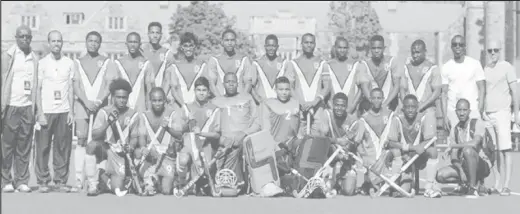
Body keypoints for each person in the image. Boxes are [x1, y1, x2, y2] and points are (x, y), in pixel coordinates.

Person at [71, 31, 119, 192]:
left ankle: (97, 178)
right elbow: (76, 86)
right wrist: (86, 102)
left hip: (100, 109)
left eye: (96, 41)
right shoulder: (77, 62)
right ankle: (79, 178)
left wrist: (98, 102)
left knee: (99, 142)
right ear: (86, 42)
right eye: (90, 40)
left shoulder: (107, 62)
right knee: (82, 141)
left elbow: (108, 85)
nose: (93, 43)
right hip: (82, 107)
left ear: (100, 43)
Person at [83, 78, 143, 196]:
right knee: (91, 146)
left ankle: (103, 176)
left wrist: (130, 147)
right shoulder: (104, 112)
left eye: (124, 97)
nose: (121, 100)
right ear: (112, 97)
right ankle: (92, 184)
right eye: (118, 97)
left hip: (122, 154)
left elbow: (134, 137)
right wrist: (107, 123)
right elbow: (94, 135)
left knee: (117, 187)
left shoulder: (133, 114)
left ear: (128, 97)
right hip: (107, 150)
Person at [34, 30, 75, 193]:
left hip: (64, 111)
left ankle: (60, 180)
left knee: (62, 147)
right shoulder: (42, 63)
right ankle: (43, 180)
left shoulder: (69, 63)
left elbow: (71, 89)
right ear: (49, 43)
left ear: (62, 43)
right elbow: (37, 89)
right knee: (43, 147)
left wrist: (71, 112)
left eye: (59, 41)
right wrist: (40, 113)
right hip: (47, 112)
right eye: (53, 41)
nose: (56, 44)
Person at [1, 25, 39, 193]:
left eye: (28, 36)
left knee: (24, 145)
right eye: (22, 36)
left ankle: (22, 180)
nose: (25, 39)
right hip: (11, 106)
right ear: (15, 37)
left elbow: (37, 85)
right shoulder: (8, 56)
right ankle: (6, 180)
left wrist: (36, 108)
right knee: (7, 145)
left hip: (27, 107)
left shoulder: (35, 58)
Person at [212, 72, 260, 196]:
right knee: (227, 147)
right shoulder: (216, 101)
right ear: (223, 84)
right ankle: (228, 181)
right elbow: (213, 127)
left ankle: (236, 182)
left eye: (233, 82)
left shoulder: (247, 98)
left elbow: (257, 121)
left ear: (237, 84)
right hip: (224, 142)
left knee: (237, 146)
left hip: (245, 139)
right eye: (228, 82)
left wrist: (244, 133)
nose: (231, 84)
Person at [436, 99, 494, 197]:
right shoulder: (454, 130)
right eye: (459, 110)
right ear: (456, 112)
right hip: (464, 166)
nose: (462, 113)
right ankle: (467, 185)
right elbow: (454, 157)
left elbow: (474, 144)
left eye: (464, 110)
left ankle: (473, 188)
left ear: (469, 111)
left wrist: (453, 146)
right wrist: (460, 170)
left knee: (468, 150)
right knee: (440, 175)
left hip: (482, 165)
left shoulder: (477, 123)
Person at [386, 94, 441, 198]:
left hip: (419, 156)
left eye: (413, 107)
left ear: (417, 107)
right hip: (403, 157)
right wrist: (412, 148)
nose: (410, 110)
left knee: (433, 151)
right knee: (402, 191)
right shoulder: (396, 118)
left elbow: (430, 140)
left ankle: (429, 187)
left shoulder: (424, 117)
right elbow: (391, 142)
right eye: (407, 107)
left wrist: (419, 147)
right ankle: (396, 183)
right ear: (403, 108)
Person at [483, 40, 519, 196]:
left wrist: (516, 113)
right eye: (490, 50)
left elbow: (515, 92)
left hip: (503, 112)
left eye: (495, 50)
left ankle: (506, 184)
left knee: (505, 149)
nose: (492, 53)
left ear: (500, 51)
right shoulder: (485, 68)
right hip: (488, 113)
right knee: (493, 150)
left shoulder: (507, 67)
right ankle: (497, 183)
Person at [257, 76, 301, 195]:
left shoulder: (296, 103)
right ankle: (279, 183)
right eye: (281, 89)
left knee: (303, 147)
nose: (284, 92)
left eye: (287, 89)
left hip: (292, 143)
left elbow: (300, 126)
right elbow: (266, 130)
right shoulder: (268, 103)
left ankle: (302, 183)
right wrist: (274, 146)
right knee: (282, 168)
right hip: (276, 145)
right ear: (275, 90)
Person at [310, 92, 359, 196]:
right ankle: (330, 175)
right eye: (337, 105)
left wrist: (345, 150)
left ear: (346, 106)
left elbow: (352, 144)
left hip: (346, 158)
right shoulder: (326, 114)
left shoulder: (353, 120)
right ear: (333, 105)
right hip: (331, 156)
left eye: (342, 106)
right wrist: (337, 141)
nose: (339, 108)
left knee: (348, 191)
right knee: (326, 146)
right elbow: (323, 138)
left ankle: (340, 182)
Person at [138, 87, 184, 196]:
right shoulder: (144, 115)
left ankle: (158, 180)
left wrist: (167, 128)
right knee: (142, 158)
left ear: (164, 101)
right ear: (150, 101)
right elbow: (141, 135)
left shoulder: (173, 114)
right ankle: (152, 180)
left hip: (167, 157)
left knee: (166, 191)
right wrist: (143, 147)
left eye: (160, 100)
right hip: (151, 156)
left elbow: (179, 135)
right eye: (154, 100)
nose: (157, 103)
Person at [352, 88, 395, 194]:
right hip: (370, 161)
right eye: (374, 98)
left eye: (379, 98)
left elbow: (395, 137)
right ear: (370, 99)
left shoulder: (390, 115)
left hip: (386, 157)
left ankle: (373, 183)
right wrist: (363, 157)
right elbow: (357, 143)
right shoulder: (363, 119)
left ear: (383, 99)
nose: (376, 101)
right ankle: (369, 182)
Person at [183, 77, 220, 195]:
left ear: (209, 92)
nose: (201, 92)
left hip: (206, 145)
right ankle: (182, 181)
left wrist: (201, 133)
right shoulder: (186, 107)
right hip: (189, 144)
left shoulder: (215, 109)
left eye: (204, 90)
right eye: (198, 90)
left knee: (206, 166)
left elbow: (217, 135)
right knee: (183, 160)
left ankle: (201, 183)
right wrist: (187, 124)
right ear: (194, 91)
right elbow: (180, 132)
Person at [441, 35, 486, 129]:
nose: (458, 47)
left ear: (465, 47)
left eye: (460, 44)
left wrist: (480, 108)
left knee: (473, 140)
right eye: (455, 44)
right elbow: (444, 93)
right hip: (453, 111)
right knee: (455, 141)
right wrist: (445, 116)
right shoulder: (446, 66)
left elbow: (482, 88)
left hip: (472, 109)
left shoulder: (475, 64)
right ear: (451, 47)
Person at [284, 33, 330, 114]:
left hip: (318, 109)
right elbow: (289, 87)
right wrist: (300, 102)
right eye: (306, 42)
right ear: (301, 44)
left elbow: (327, 87)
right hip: (299, 109)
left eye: (311, 43)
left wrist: (315, 102)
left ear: (315, 45)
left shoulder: (322, 63)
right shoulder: (292, 64)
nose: (309, 45)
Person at [325, 37, 370, 115]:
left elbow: (361, 89)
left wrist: (352, 108)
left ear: (348, 49)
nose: (342, 50)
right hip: (332, 111)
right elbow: (324, 90)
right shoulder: (327, 65)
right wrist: (331, 108)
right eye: (340, 48)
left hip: (351, 112)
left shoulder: (357, 65)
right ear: (335, 48)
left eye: (345, 48)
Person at [113, 32, 155, 113]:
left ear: (140, 44)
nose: (132, 45)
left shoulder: (146, 63)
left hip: (140, 108)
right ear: (126, 44)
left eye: (135, 42)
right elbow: (114, 90)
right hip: (122, 109)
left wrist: (149, 110)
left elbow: (149, 90)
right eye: (130, 42)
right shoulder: (118, 63)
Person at [206, 29, 255, 97]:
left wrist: (242, 98)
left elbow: (248, 83)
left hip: (239, 103)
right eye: (227, 40)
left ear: (235, 41)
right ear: (222, 42)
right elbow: (211, 84)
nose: (229, 43)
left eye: (232, 40)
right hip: (221, 102)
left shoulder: (244, 59)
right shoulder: (214, 60)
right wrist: (221, 99)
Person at [359, 35, 402, 112]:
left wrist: (385, 104)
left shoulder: (392, 61)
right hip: (371, 107)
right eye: (373, 48)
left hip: (390, 106)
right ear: (370, 49)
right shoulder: (364, 64)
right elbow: (364, 87)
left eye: (379, 48)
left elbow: (396, 86)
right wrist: (374, 104)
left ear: (384, 48)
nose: (376, 51)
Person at [401, 39, 443, 116]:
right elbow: (402, 89)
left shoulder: (433, 68)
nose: (415, 55)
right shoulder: (406, 68)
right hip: (409, 113)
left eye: (418, 52)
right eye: (413, 53)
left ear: (425, 52)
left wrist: (421, 106)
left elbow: (437, 92)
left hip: (427, 111)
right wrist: (407, 107)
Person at [167, 32, 210, 107]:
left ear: (195, 47)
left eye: (191, 46)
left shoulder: (202, 65)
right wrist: (183, 106)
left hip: (197, 107)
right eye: (185, 46)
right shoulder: (175, 66)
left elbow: (206, 88)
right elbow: (174, 90)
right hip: (180, 107)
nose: (188, 49)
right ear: (181, 47)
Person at [142, 22, 177, 105]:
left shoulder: (167, 54)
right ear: (148, 34)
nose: (155, 36)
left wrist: (163, 96)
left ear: (161, 35)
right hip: (143, 97)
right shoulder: (141, 52)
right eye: (152, 33)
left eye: (157, 33)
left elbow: (168, 79)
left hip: (160, 98)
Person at [250, 34, 289, 105]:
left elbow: (288, 87)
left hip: (279, 105)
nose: (271, 48)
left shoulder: (284, 63)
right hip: (262, 106)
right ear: (265, 47)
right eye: (268, 46)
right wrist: (258, 100)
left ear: (277, 47)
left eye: (273, 46)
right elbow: (251, 86)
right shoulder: (257, 63)